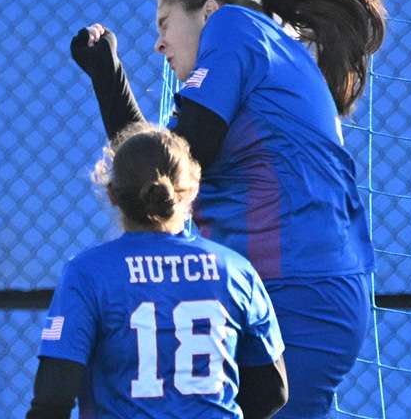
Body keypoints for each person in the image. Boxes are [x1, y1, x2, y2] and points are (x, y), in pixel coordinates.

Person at [69, 0, 404, 418]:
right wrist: (107, 75)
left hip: (299, 291)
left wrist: (109, 78)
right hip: (288, 290)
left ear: (207, 10)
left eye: (165, 23)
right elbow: (163, 170)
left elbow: (171, 161)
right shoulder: (255, 49)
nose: (159, 42)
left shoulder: (233, 27)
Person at [26, 124, 286, 418]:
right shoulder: (236, 271)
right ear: (191, 187)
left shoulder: (88, 273)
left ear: (112, 193)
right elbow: (272, 391)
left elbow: (53, 397)